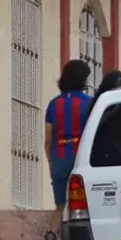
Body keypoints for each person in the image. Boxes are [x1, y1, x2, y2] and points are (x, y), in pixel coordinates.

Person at [44, 60, 94, 208]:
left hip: (59, 160)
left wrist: (52, 166)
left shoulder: (53, 104)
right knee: (82, 208)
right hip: (82, 161)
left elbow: (48, 142)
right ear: (83, 79)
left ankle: (55, 230)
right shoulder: (90, 103)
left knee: (61, 206)